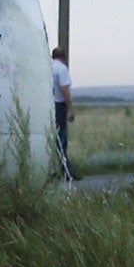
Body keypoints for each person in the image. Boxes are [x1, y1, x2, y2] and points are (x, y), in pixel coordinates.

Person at [50, 47, 75, 180]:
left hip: (48, 104)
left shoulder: (48, 67)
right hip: (59, 105)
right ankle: (65, 171)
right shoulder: (62, 69)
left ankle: (53, 169)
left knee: (52, 138)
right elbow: (64, 88)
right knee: (61, 139)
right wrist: (70, 108)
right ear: (64, 57)